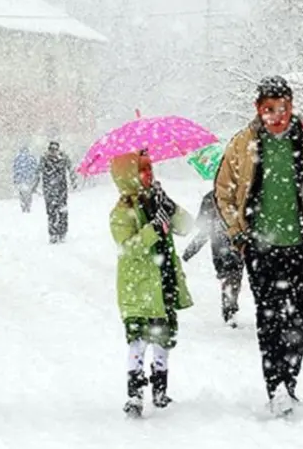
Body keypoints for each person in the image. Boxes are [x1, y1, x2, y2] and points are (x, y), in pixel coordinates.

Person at [214, 75, 303, 416]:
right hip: (260, 248)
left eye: (283, 108)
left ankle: (290, 382)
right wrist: (238, 232)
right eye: (269, 109)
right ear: (258, 109)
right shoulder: (243, 143)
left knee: (297, 319)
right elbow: (223, 191)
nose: (277, 115)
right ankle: (275, 386)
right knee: (269, 319)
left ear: (292, 106)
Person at [109, 150, 194, 418]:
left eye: (150, 168)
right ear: (128, 177)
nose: (149, 173)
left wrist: (169, 207)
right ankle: (134, 393)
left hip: (164, 280)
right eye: (142, 169)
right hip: (140, 287)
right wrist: (152, 230)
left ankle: (160, 388)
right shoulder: (121, 212)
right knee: (138, 339)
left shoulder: (157, 202)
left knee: (163, 338)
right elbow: (128, 247)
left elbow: (186, 226)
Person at [181, 190, 244, 327]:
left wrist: (189, 252)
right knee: (232, 276)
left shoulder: (210, 198)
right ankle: (230, 308)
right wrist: (189, 252)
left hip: (222, 247)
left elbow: (203, 231)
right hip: (232, 245)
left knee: (229, 276)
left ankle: (229, 307)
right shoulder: (239, 195)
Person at [39, 141, 75, 243]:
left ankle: (62, 232)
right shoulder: (44, 158)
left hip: (61, 189)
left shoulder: (63, 158)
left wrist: (73, 180)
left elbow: (71, 169)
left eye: (55, 149)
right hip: (49, 189)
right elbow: (38, 171)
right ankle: (53, 233)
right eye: (51, 149)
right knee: (51, 212)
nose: (53, 152)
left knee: (62, 211)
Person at [12, 147, 39, 213]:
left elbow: (15, 169)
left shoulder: (17, 159)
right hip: (29, 179)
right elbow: (35, 168)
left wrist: (15, 179)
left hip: (20, 179)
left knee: (22, 193)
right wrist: (34, 177)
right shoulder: (31, 158)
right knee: (28, 193)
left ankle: (23, 205)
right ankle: (28, 205)